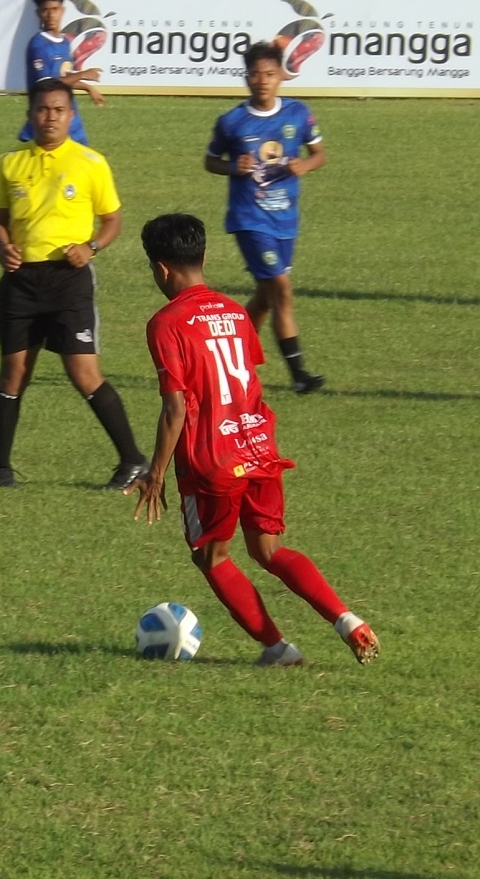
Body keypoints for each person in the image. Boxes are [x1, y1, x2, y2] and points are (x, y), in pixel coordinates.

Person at [127, 212, 378, 667]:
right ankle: (347, 620)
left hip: (212, 462)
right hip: (259, 447)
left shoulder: (166, 323)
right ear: (202, 256)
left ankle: (279, 650)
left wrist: (156, 473)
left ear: (161, 268)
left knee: (212, 556)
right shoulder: (236, 312)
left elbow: (175, 407)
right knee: (268, 550)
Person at [0, 78, 146, 490]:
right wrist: (3, 247)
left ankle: (132, 460)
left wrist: (91, 247)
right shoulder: (10, 163)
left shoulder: (91, 163)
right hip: (21, 281)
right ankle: (1, 470)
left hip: (68, 281)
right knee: (13, 374)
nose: (50, 117)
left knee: (84, 372)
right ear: (30, 114)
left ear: (72, 116)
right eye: (43, 109)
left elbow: (112, 220)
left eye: (59, 110)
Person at [205, 41, 327, 394]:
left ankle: (231, 362)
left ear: (281, 77)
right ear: (246, 77)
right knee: (282, 291)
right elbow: (210, 161)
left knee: (264, 296)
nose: (262, 81)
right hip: (249, 218)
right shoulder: (232, 122)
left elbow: (319, 154)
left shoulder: (298, 114)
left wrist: (304, 164)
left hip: (285, 218)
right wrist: (232, 167)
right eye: (255, 74)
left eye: (270, 74)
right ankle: (300, 375)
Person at [17, 0, 102, 146]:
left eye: (54, 9)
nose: (50, 15)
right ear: (38, 14)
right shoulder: (38, 45)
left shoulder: (64, 42)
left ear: (62, 11)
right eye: (45, 10)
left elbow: (64, 78)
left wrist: (88, 88)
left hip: (69, 118)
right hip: (48, 119)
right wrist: (83, 74)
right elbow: (48, 85)